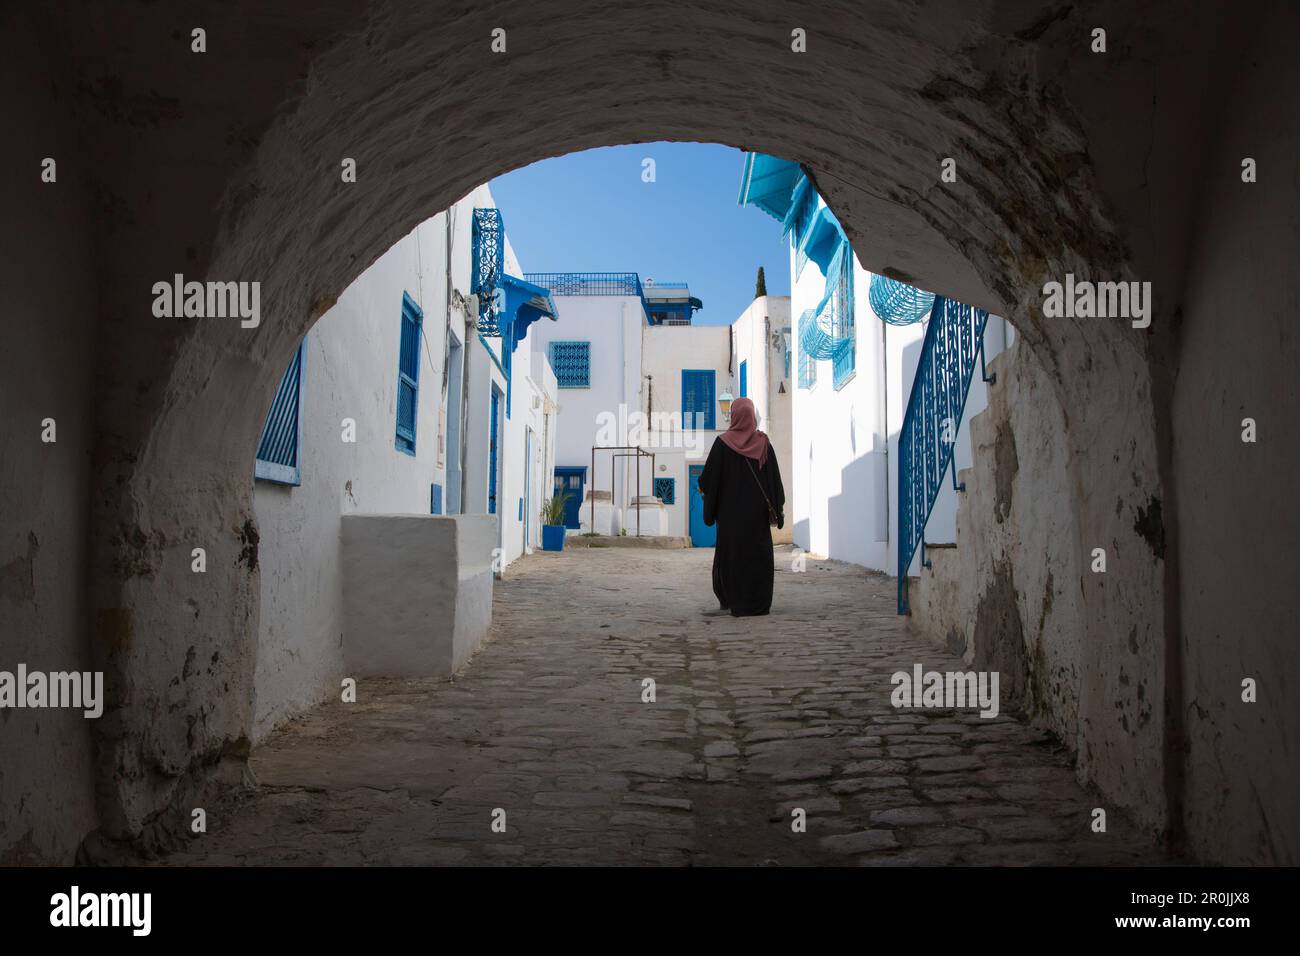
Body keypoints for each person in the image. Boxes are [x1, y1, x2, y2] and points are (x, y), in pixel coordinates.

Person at [697, 396, 785, 617]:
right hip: (757, 519)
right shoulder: (764, 444)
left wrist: (711, 507)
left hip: (730, 520)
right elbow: (775, 481)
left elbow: (708, 481)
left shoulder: (722, 444)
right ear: (752, 416)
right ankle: (758, 604)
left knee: (733, 558)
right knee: (758, 558)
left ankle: (734, 601)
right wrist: (778, 509)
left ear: (734, 415)